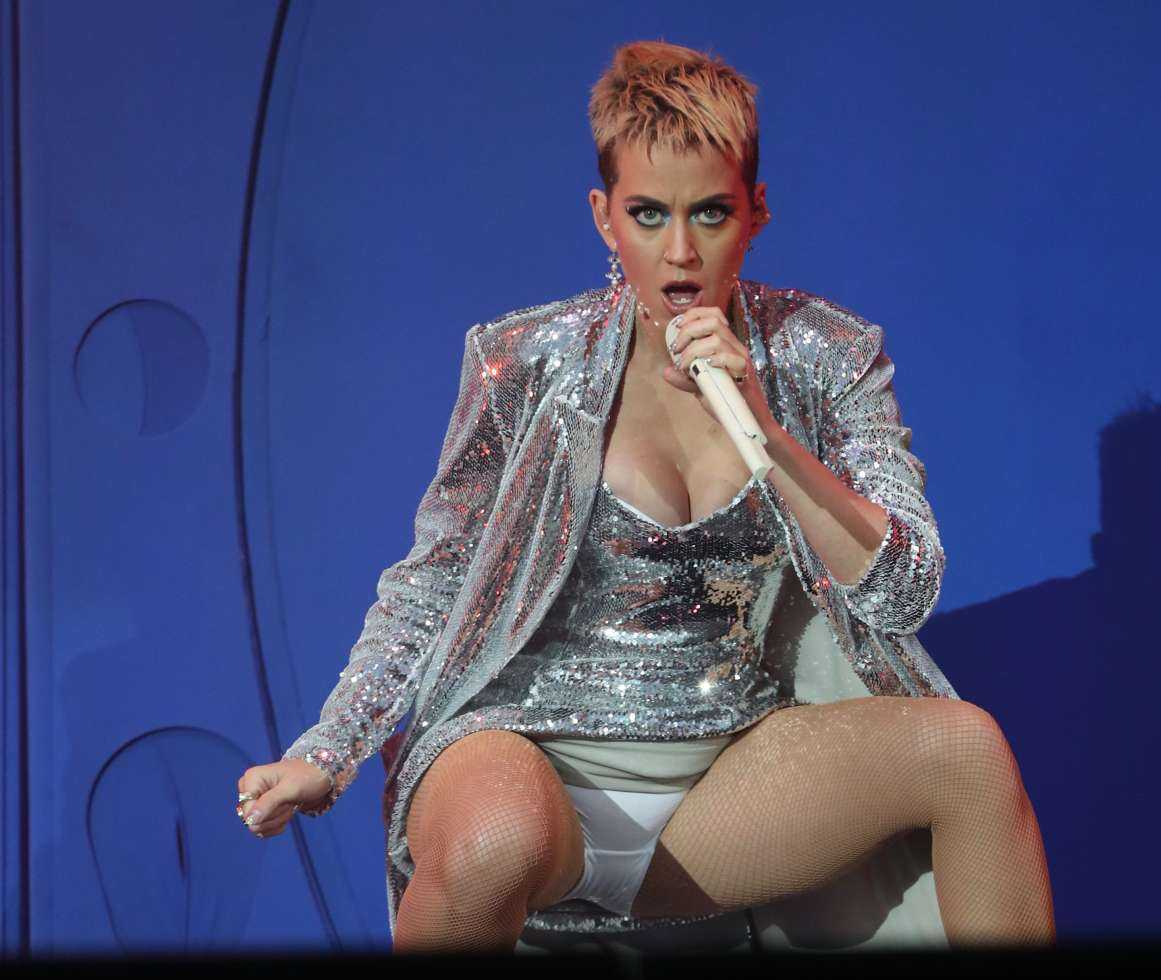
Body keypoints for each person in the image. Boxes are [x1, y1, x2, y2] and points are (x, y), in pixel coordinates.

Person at [235, 40, 1054, 953]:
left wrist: (768, 434)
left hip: (722, 787)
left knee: (968, 752)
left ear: (757, 211)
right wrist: (329, 750)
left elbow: (905, 593)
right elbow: (435, 577)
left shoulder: (826, 355)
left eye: (711, 213)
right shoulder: (524, 360)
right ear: (604, 216)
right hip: (525, 759)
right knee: (495, 841)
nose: (679, 252)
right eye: (648, 214)